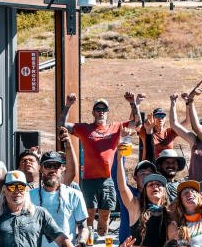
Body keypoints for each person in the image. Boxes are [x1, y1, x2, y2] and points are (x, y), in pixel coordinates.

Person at [60, 93, 142, 237]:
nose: (101, 112)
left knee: (105, 216)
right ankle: (88, 245)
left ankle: (102, 246)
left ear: (107, 112)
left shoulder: (115, 127)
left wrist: (132, 103)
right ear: (93, 112)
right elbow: (62, 125)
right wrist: (68, 105)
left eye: (104, 109)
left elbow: (137, 124)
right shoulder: (85, 128)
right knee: (89, 216)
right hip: (89, 179)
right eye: (98, 109)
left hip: (108, 179)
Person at [30, 151, 89, 247]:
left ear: (62, 168)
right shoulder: (29, 196)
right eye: (48, 165)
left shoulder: (74, 195)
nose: (52, 169)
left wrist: (80, 246)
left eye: (56, 165)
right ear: (41, 169)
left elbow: (84, 227)